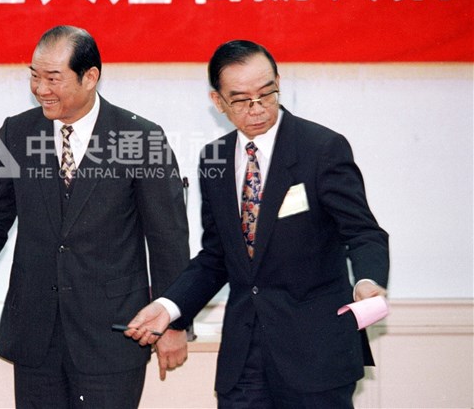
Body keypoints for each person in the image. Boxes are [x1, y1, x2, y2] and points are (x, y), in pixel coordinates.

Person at [124, 40, 390, 407]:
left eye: (267, 94)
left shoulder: (321, 148)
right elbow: (217, 255)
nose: (257, 108)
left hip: (315, 356)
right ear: (217, 102)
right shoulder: (214, 157)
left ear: (278, 82)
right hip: (244, 356)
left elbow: (363, 232)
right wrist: (170, 306)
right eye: (241, 99)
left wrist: (368, 280)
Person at [0, 25, 190, 408]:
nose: (40, 89)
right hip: (37, 335)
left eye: (53, 78)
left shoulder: (141, 139)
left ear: (90, 77)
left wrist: (174, 323)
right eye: (34, 76)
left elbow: (167, 240)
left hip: (113, 338)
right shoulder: (17, 132)